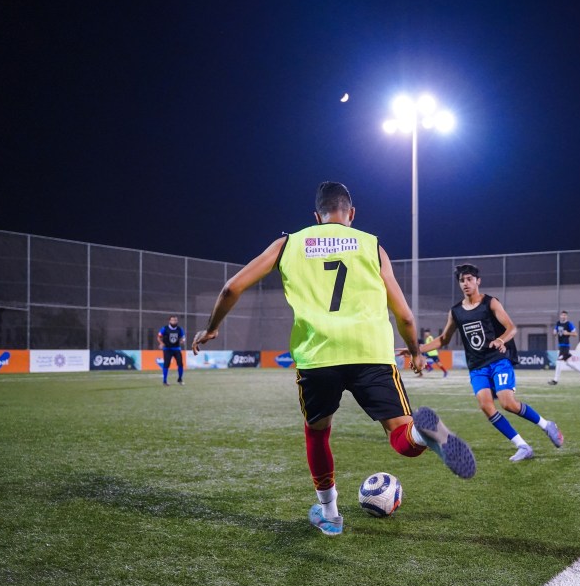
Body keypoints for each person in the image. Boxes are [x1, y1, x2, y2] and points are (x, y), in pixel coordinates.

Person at [192, 181, 475, 537]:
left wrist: (211, 328)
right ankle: (422, 432)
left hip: (318, 355)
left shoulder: (288, 244)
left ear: (317, 216)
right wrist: (417, 352)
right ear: (351, 213)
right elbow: (404, 315)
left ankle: (329, 514)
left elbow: (231, 287)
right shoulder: (372, 245)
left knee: (317, 432)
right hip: (371, 351)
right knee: (402, 436)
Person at [414, 263, 563, 462]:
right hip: (477, 366)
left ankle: (546, 425)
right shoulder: (456, 311)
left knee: (507, 403)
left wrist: (501, 340)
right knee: (486, 406)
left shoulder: (490, 303)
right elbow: (443, 339)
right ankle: (523, 446)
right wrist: (416, 349)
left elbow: (511, 327)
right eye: (462, 280)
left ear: (478, 281)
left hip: (497, 360)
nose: (465, 283)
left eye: (469, 279)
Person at [548, 310, 580, 385]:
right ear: (560, 316)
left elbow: (575, 334)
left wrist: (568, 333)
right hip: (560, 346)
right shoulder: (558, 323)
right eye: (562, 315)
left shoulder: (569, 324)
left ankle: (555, 380)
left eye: (565, 315)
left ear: (567, 316)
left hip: (565, 346)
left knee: (558, 361)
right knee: (568, 363)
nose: (563, 316)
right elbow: (554, 332)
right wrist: (554, 333)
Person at [157, 315, 186, 385]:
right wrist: (161, 343)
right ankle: (164, 381)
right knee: (166, 364)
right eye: (172, 320)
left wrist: (183, 340)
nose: (174, 321)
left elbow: (183, 337)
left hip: (177, 349)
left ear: (177, 321)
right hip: (167, 349)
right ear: (169, 321)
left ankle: (180, 379)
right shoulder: (165, 328)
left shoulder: (180, 329)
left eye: (175, 320)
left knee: (180, 364)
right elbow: (159, 336)